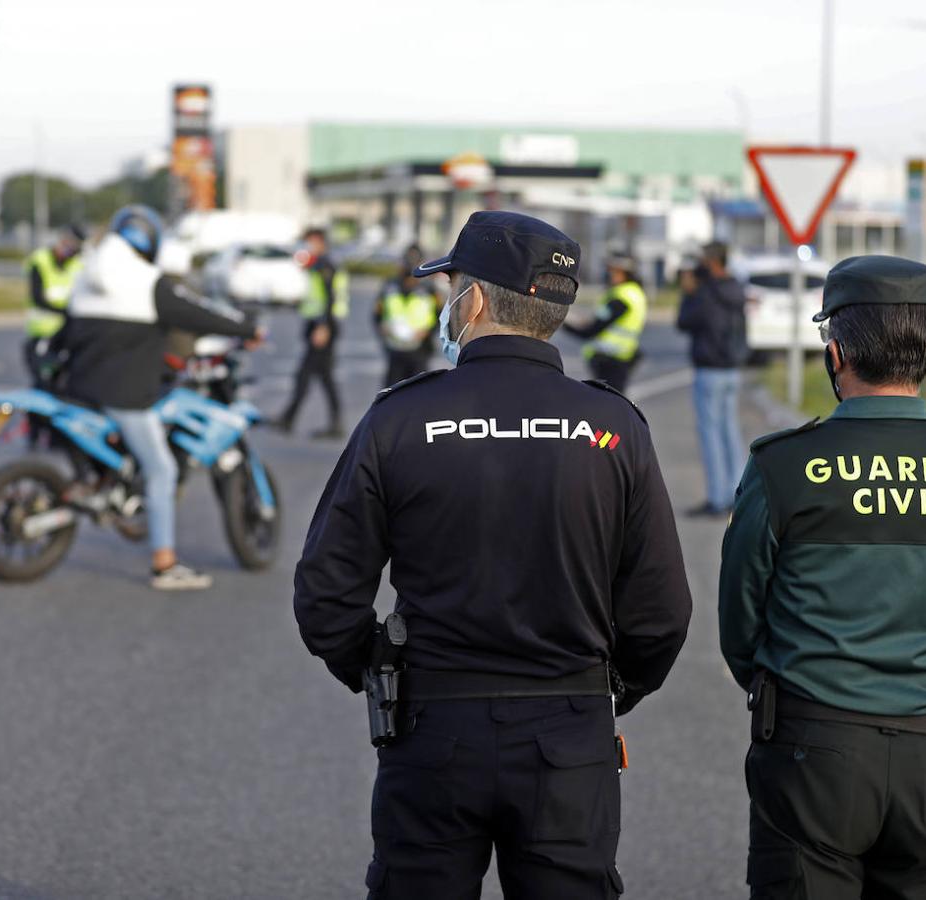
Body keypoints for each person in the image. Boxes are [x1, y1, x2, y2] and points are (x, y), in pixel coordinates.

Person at [294, 211, 693, 899]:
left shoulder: (401, 418)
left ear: (473, 301)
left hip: (432, 726)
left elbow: (327, 593)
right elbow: (660, 610)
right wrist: (608, 689)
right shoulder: (613, 426)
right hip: (571, 736)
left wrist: (374, 670)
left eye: (450, 287)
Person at [718, 255, 926, 900]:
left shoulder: (784, 464)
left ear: (835, 351)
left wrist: (777, 683)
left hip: (810, 749)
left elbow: (741, 617)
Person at [60, 205, 261, 591]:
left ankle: (101, 485)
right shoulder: (148, 282)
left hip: (80, 389)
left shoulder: (88, 275)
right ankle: (164, 564)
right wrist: (247, 328)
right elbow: (195, 315)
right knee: (162, 470)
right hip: (127, 396)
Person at [675, 241, 748, 517]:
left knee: (711, 434)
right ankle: (737, 494)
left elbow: (684, 321)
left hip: (709, 369)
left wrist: (688, 293)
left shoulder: (706, 293)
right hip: (732, 368)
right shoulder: (736, 288)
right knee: (729, 430)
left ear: (711, 261)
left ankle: (717, 498)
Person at [278, 227, 348, 438]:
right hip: (319, 325)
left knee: (310, 375)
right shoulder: (317, 265)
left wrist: (322, 327)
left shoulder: (325, 265)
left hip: (323, 327)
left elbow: (329, 298)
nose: (307, 247)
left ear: (320, 242)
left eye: (310, 242)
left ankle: (290, 419)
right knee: (317, 376)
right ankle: (289, 418)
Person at [562, 252, 648, 393]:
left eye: (613, 271)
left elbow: (592, 330)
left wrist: (563, 324)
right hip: (618, 359)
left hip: (611, 361)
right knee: (614, 403)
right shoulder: (630, 292)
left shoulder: (622, 297)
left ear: (623, 273)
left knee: (610, 405)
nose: (609, 274)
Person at [23, 223, 86, 388]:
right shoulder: (40, 260)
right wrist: (63, 311)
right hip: (43, 334)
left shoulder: (78, 266)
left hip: (68, 336)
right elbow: (37, 297)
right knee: (43, 382)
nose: (68, 248)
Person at [372, 244, 441, 387]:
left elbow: (441, 316)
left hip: (419, 351)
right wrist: (383, 330)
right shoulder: (389, 286)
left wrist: (427, 333)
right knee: (390, 396)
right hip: (395, 350)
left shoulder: (430, 289)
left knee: (418, 395)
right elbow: (376, 315)